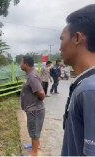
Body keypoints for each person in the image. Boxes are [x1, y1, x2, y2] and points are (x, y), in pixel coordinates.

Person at [61, 4, 95, 156]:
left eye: (62, 39)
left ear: (77, 38)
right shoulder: (84, 84)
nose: (60, 47)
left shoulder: (89, 90)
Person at [20, 56, 45, 156]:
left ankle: (34, 153)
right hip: (33, 108)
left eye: (21, 63)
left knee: (34, 130)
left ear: (26, 64)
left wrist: (37, 102)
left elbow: (41, 93)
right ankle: (37, 145)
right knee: (34, 128)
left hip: (35, 109)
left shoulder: (32, 76)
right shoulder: (30, 74)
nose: (20, 65)